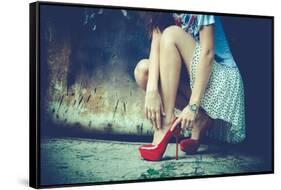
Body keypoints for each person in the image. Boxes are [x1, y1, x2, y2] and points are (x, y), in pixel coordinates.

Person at [134, 12, 246, 161]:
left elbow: (207, 53)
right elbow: (156, 46)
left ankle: (167, 124)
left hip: (222, 79)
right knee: (143, 72)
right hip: (195, 77)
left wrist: (193, 105)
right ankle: (200, 119)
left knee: (171, 34)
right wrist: (151, 90)